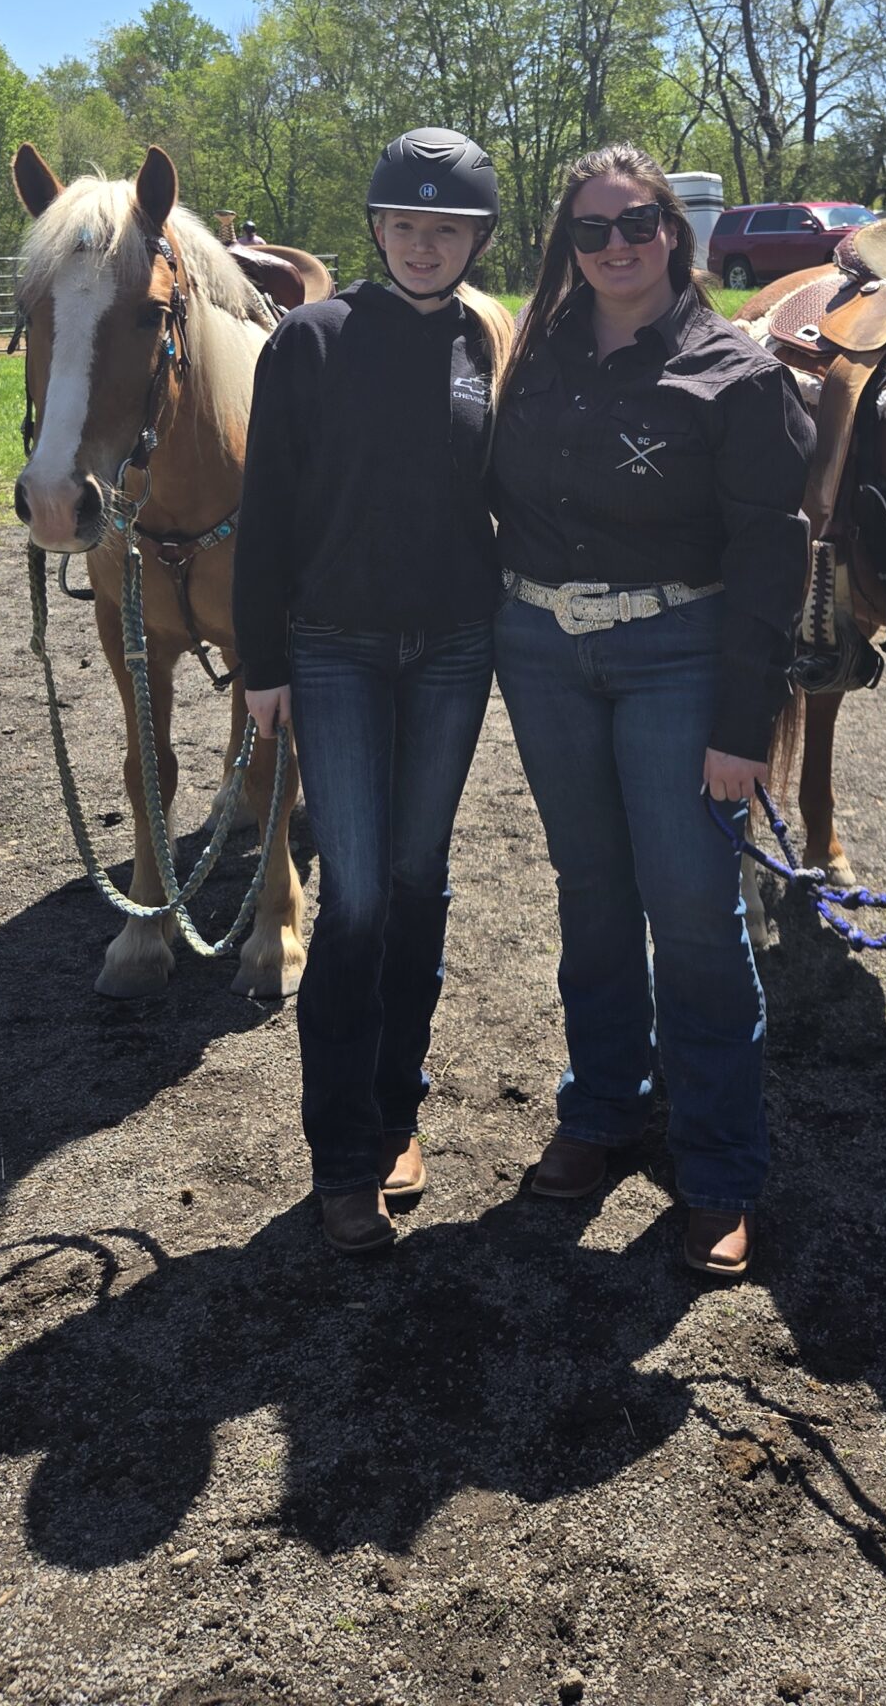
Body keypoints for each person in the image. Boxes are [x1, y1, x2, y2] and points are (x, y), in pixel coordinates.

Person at [491, 143, 815, 1279]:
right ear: (567, 245)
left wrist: (742, 725)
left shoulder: (737, 374)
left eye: (637, 222)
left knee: (691, 914)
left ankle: (718, 1169)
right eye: (592, 229)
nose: (616, 245)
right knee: (590, 893)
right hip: (541, 648)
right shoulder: (533, 354)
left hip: (677, 650)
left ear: (674, 232)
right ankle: (604, 1105)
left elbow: (772, 559)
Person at [235, 128, 510, 1254]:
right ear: (378, 230)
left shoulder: (484, 343)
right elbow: (265, 510)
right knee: (351, 899)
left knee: (416, 880)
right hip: (336, 647)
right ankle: (342, 1153)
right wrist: (263, 662)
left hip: (453, 647)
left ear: (476, 240)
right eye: (405, 225)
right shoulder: (310, 340)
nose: (423, 245)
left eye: (446, 229)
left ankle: (399, 1109)